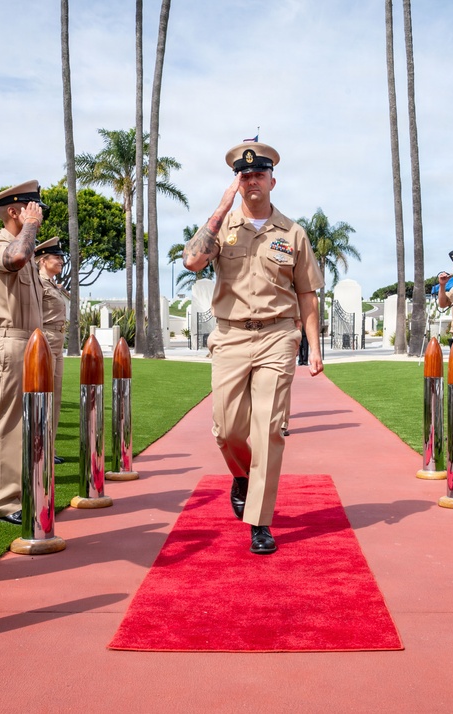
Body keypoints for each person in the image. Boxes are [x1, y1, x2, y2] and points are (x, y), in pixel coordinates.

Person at [182, 140, 323, 555]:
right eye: (244, 176)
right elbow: (192, 262)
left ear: (272, 181)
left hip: (279, 335)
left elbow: (307, 294)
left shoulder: (292, 233)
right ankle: (243, 476)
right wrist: (219, 209)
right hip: (229, 335)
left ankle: (259, 520)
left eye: (258, 174)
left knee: (269, 428)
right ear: (237, 183)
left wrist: (314, 347)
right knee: (226, 429)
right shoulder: (222, 228)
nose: (251, 180)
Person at [0, 180, 45, 526]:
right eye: (33, 209)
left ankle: (26, 490)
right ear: (14, 212)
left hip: (31, 342)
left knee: (31, 421)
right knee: (8, 422)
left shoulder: (27, 247)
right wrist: (30, 225)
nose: (39, 216)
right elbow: (16, 257)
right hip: (10, 341)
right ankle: (4, 502)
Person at [36, 236, 68, 462]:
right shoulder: (38, 284)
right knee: (44, 395)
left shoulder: (52, 285)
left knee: (55, 396)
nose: (61, 261)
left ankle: (50, 447)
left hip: (57, 338)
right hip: (45, 337)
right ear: (42, 260)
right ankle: (41, 447)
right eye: (56, 257)